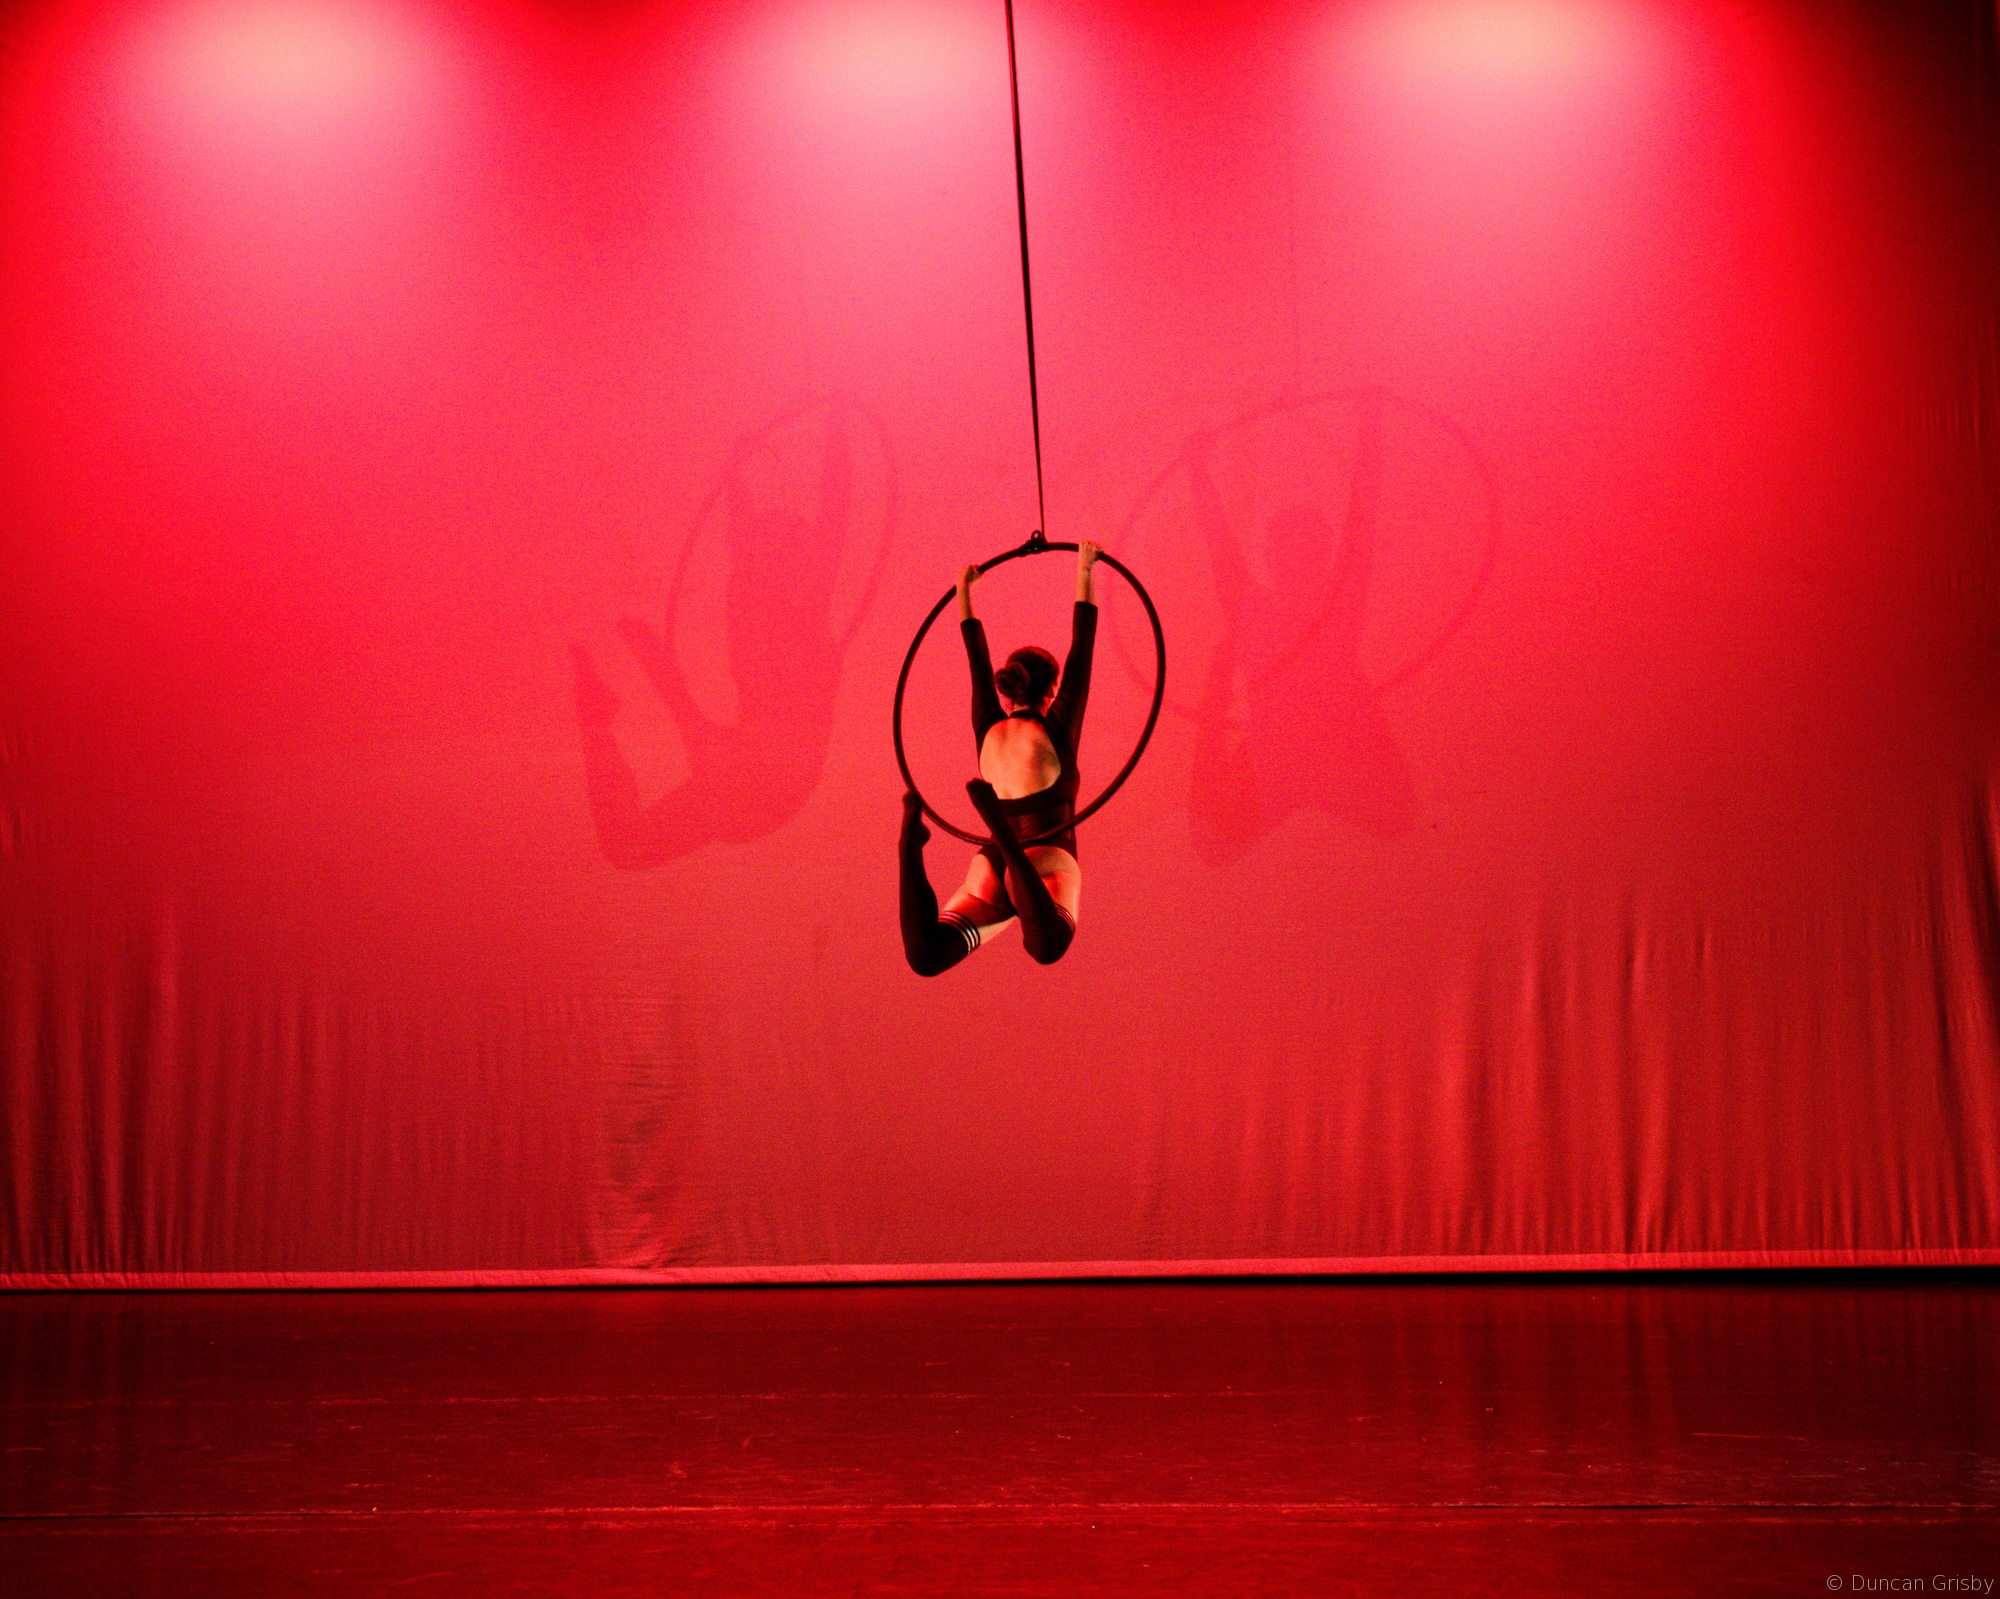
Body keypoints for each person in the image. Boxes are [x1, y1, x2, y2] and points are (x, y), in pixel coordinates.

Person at [901, 542, 1101, 973]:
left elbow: (977, 662)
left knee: (927, 956)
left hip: (990, 867)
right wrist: (1084, 567)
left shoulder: (988, 726)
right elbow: (1081, 651)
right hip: (1045, 862)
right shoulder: (1058, 729)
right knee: (1048, 946)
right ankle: (1000, 829)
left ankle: (909, 849)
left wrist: (964, 590)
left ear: (1010, 688)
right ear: (1052, 690)